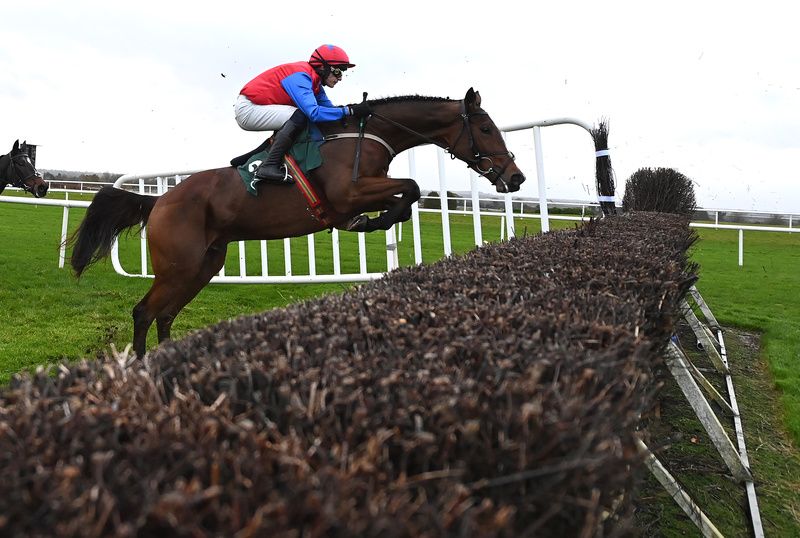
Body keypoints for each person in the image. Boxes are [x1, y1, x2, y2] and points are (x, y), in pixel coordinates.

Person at [234, 44, 372, 183]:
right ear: (323, 67)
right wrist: (349, 111)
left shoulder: (315, 84)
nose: (340, 78)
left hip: (258, 107)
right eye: (338, 72)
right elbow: (315, 113)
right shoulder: (300, 76)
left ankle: (253, 156)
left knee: (299, 118)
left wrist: (353, 112)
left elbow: (330, 111)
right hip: (248, 109)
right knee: (300, 116)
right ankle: (269, 165)